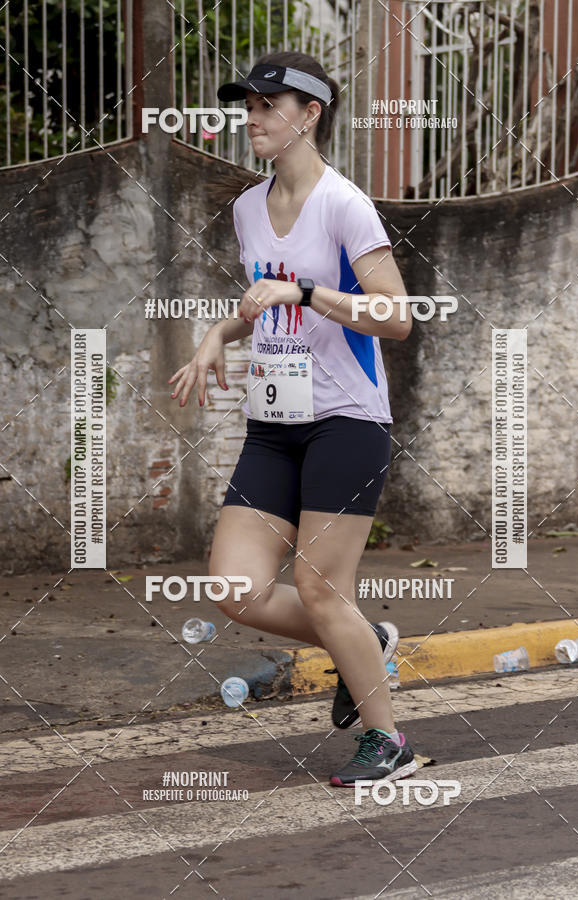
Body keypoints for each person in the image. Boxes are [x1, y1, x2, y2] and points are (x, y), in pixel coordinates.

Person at [168, 51, 417, 787]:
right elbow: (261, 300)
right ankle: (363, 642)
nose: (252, 120)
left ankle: (389, 742)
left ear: (310, 115)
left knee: (318, 591)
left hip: (347, 421)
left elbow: (396, 316)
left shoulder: (345, 205)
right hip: (275, 424)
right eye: (247, 107)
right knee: (236, 590)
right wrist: (219, 332)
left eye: (267, 106)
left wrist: (306, 292)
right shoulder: (248, 207)